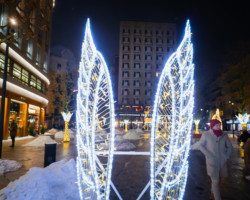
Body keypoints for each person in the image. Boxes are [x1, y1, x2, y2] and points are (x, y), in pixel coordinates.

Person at [199, 119, 232, 200]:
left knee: (220, 179)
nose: (218, 127)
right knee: (215, 181)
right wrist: (208, 155)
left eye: (219, 125)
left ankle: (212, 192)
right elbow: (200, 145)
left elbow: (230, 146)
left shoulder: (224, 135)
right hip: (212, 162)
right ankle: (217, 198)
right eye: (216, 125)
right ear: (212, 126)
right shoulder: (206, 134)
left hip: (222, 162)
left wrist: (226, 156)